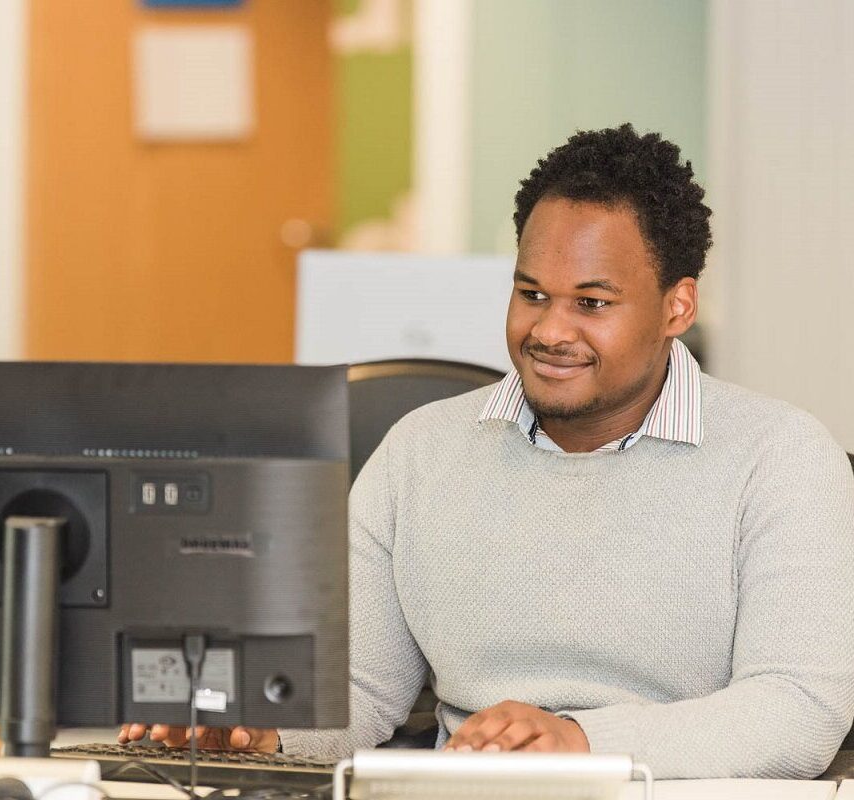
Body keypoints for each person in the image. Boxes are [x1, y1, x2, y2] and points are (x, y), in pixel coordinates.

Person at [120, 124, 854, 779]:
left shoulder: (780, 460)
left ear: (677, 307)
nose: (550, 329)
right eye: (531, 293)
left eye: (591, 303)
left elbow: (798, 709)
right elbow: (361, 694)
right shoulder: (420, 453)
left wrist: (577, 740)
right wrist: (257, 729)